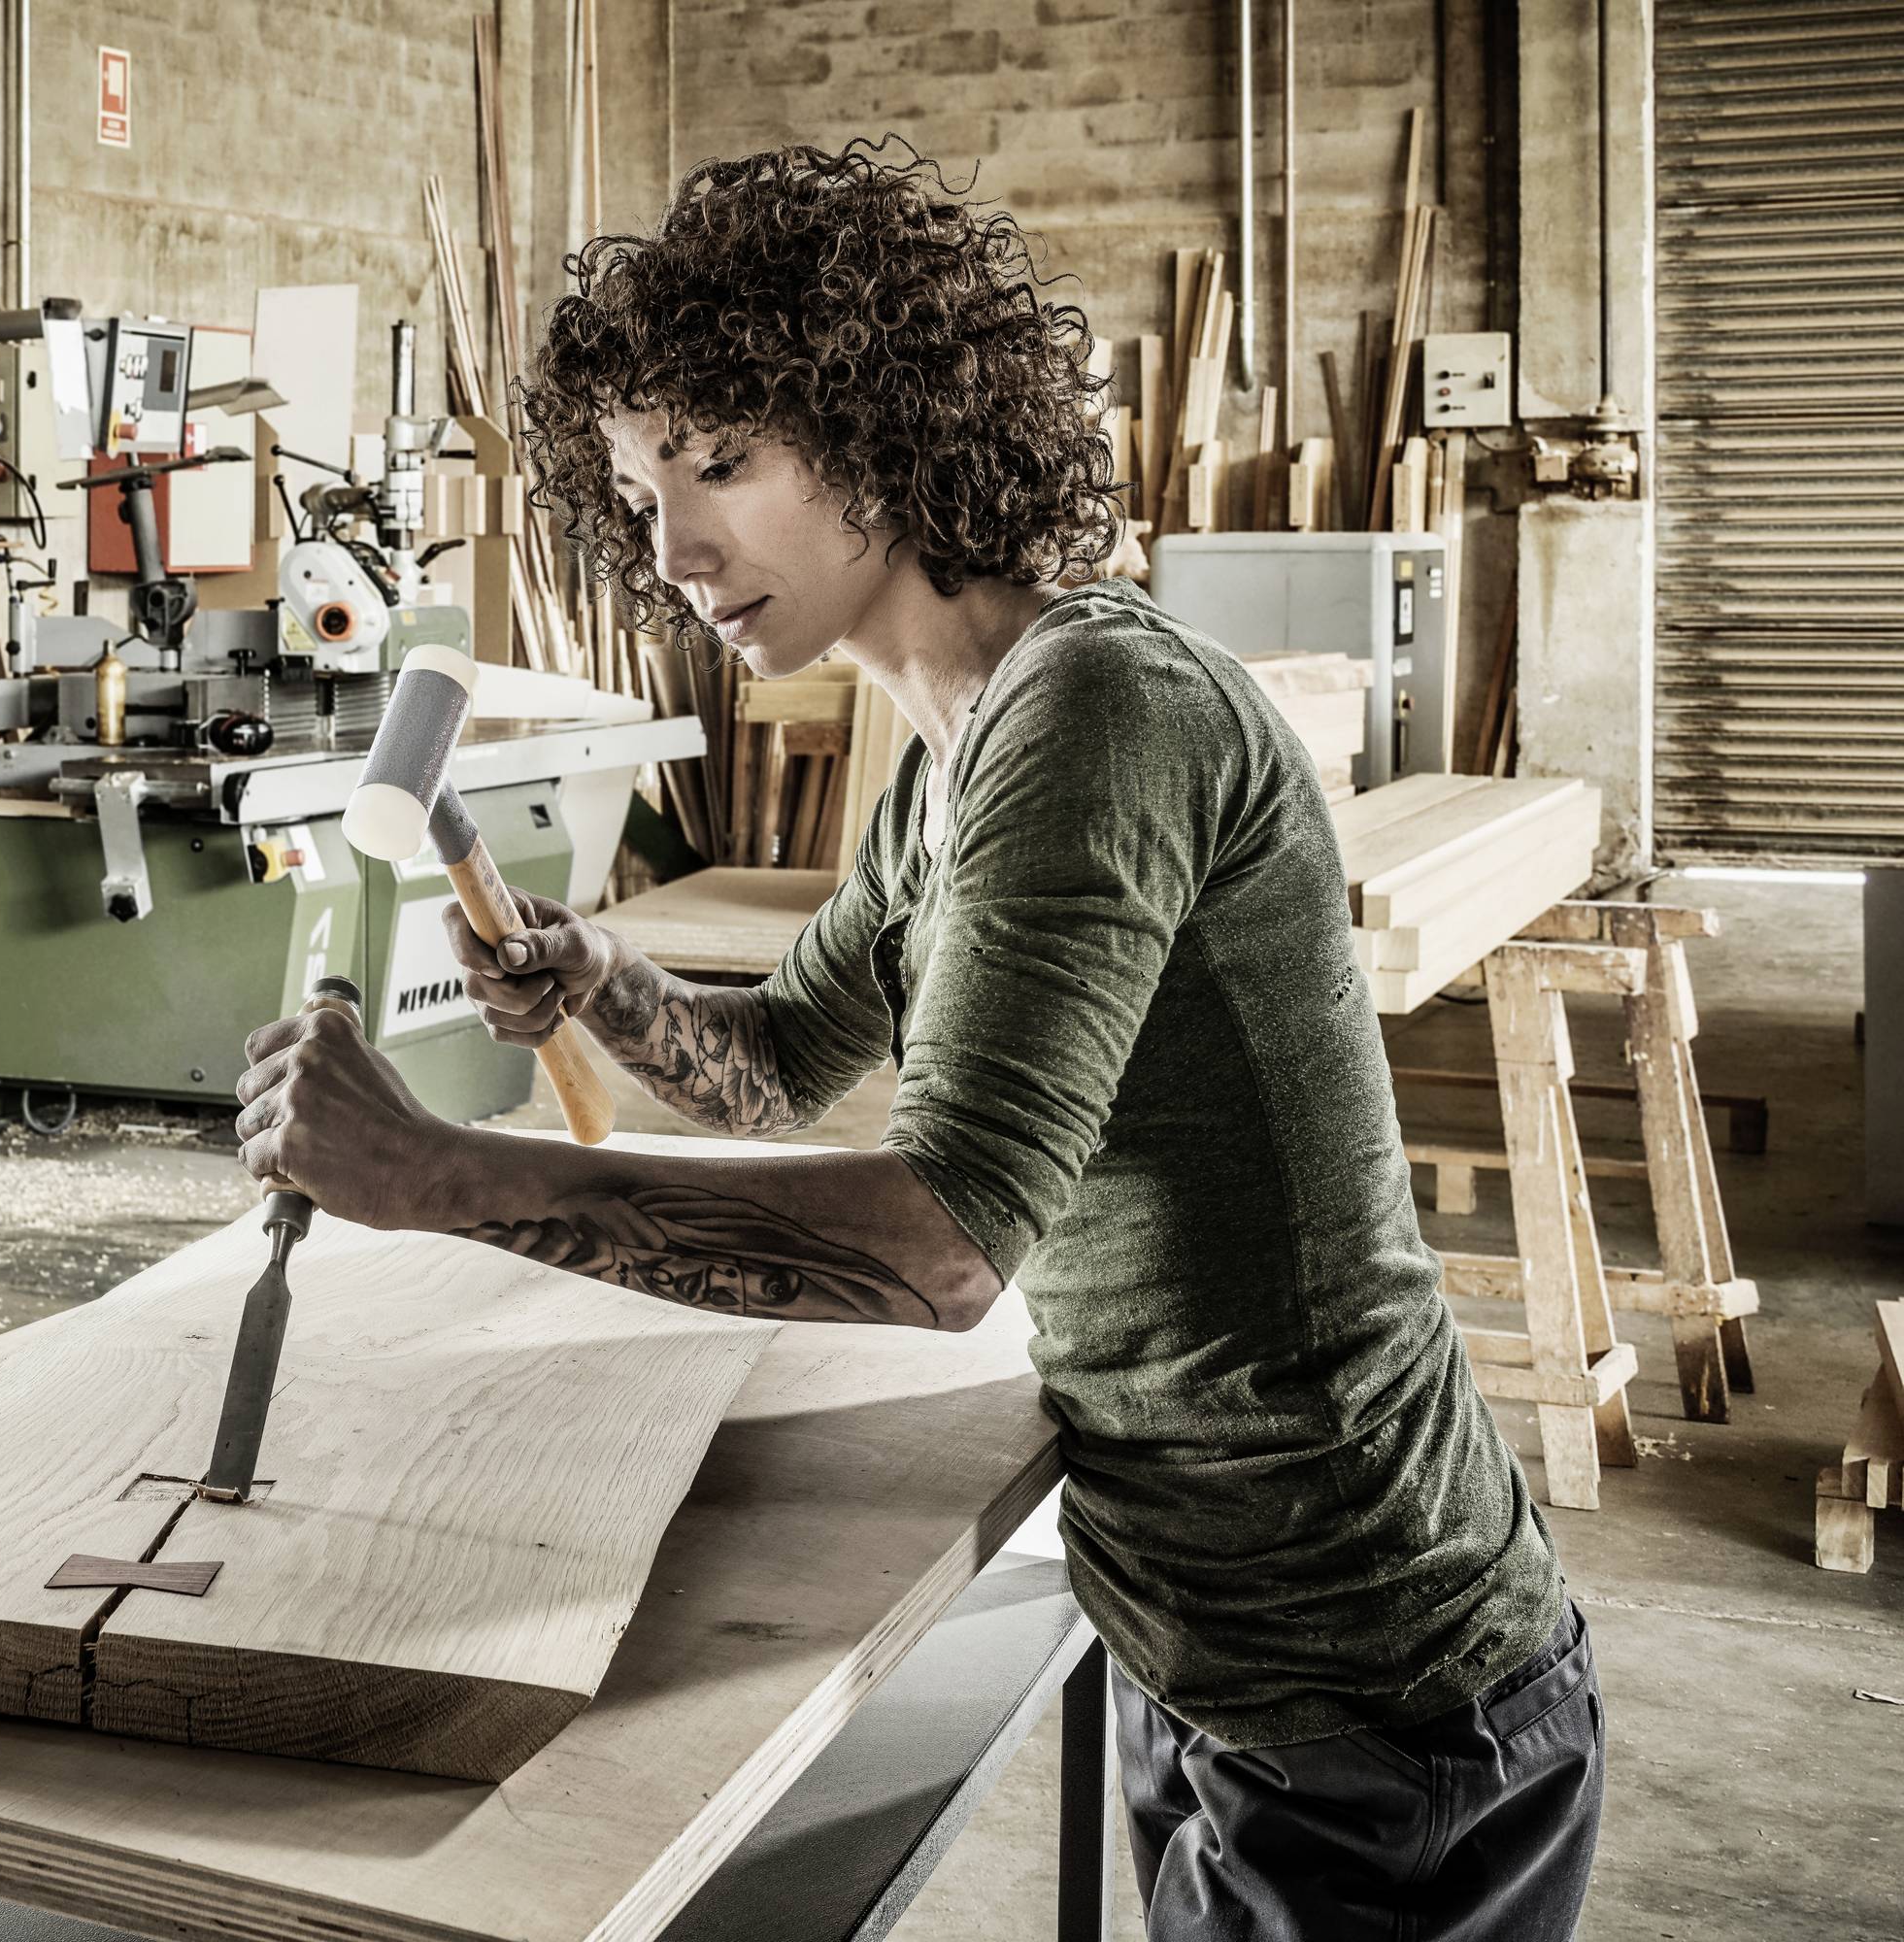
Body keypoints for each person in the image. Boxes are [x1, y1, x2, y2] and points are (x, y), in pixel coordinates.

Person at [231, 142, 1601, 1938]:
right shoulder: (948, 754)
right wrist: (600, 983)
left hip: (1380, 1686)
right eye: (645, 488)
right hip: (1208, 1650)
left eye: (725, 464)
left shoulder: (1096, 709)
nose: (677, 548)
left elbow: (946, 1247)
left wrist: (435, 1172)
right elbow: (787, 1063)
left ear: (886, 429)